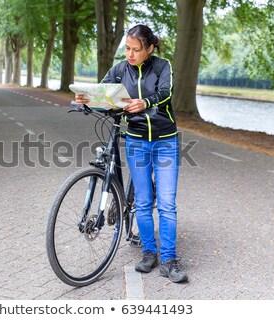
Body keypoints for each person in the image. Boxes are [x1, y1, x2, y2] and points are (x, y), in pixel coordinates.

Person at [75, 24, 188, 283]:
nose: (130, 54)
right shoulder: (119, 70)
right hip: (137, 142)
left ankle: (169, 259)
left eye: (136, 50)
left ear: (149, 48)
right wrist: (86, 100)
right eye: (127, 48)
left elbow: (165, 92)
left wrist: (145, 103)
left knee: (168, 205)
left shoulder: (162, 67)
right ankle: (149, 253)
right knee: (145, 203)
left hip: (165, 142)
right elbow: (102, 92)